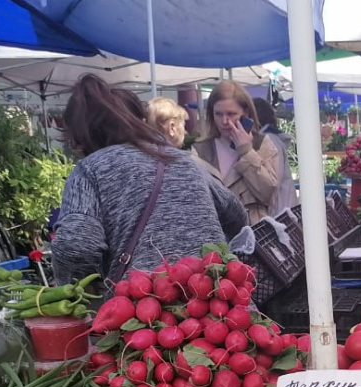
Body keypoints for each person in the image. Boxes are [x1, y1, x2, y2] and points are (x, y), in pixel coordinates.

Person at [50, 74, 246, 286]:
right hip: (216, 301)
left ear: (81, 138)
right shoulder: (182, 160)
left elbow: (76, 246)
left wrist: (79, 293)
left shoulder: (90, 170)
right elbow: (235, 214)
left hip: (144, 307)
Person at [191, 80, 284, 225]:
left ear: (245, 113)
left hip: (253, 235)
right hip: (216, 233)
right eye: (218, 114)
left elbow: (269, 193)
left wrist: (246, 152)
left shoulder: (261, 143)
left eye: (231, 114)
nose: (225, 121)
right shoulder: (201, 150)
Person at [253, 97, 298, 215]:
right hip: (284, 208)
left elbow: (271, 184)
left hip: (279, 211)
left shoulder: (268, 141)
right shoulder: (274, 138)